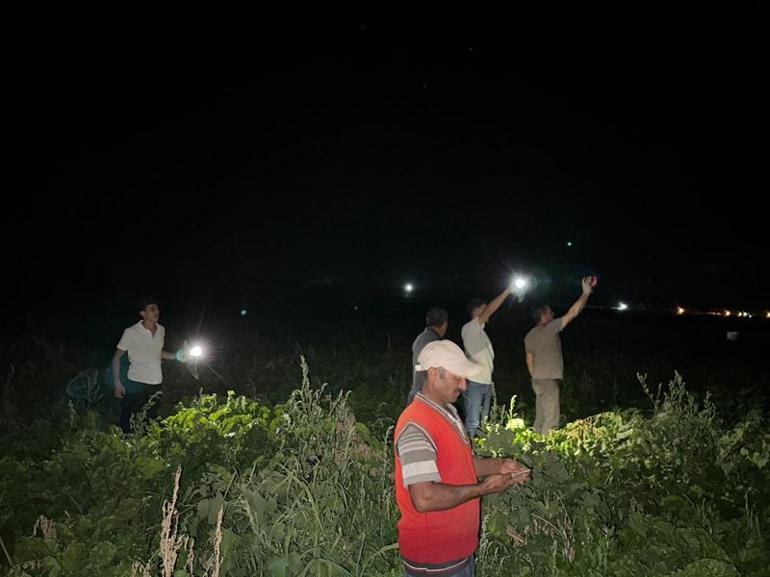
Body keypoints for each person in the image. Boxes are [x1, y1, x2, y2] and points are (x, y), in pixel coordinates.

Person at [394, 340, 531, 576]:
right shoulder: (417, 425)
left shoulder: (446, 412)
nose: (465, 385)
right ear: (435, 374)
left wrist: (499, 465)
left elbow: (459, 465)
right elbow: (425, 498)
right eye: (458, 378)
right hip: (435, 558)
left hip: (457, 552)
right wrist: (482, 489)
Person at [524, 276, 595, 435]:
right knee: (551, 420)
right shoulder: (550, 328)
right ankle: (547, 454)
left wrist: (535, 378)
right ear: (543, 315)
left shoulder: (529, 335)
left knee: (540, 419)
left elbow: (529, 360)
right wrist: (585, 294)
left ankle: (533, 449)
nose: (553, 313)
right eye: (550, 312)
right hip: (548, 380)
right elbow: (574, 312)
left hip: (537, 380)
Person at [112, 297, 180, 433]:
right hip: (136, 382)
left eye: (157, 309)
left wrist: (177, 356)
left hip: (156, 382)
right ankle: (126, 449)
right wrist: (117, 382)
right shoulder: (131, 332)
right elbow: (116, 358)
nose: (156, 312)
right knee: (129, 420)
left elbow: (157, 352)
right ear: (143, 314)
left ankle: (147, 449)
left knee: (150, 418)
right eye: (152, 309)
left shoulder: (161, 330)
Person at [460, 284, 514, 437]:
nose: (488, 312)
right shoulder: (470, 328)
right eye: (484, 309)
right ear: (476, 311)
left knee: (483, 423)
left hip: (485, 382)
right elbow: (490, 309)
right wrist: (508, 291)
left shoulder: (481, 333)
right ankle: (469, 454)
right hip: (474, 383)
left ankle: (480, 452)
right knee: (473, 422)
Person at [407, 307, 448, 403]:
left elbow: (418, 366)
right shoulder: (437, 344)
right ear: (445, 324)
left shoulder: (419, 339)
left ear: (427, 321)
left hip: (415, 394)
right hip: (428, 399)